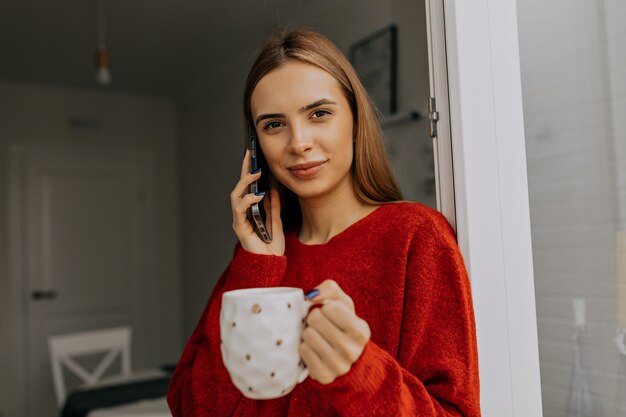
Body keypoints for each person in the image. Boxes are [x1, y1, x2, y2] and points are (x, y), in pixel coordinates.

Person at [167, 30, 481, 417]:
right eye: (273, 125)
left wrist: (360, 372)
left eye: (319, 113)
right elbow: (192, 409)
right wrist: (256, 268)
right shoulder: (256, 261)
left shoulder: (416, 236)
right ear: (256, 147)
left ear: (354, 119)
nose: (298, 142)